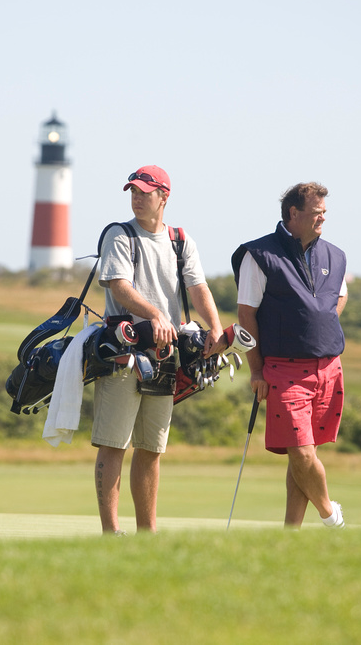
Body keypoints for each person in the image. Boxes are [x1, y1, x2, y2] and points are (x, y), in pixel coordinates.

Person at [93, 165, 224, 535]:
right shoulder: (119, 235)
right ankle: (110, 534)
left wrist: (214, 328)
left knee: (151, 449)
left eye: (144, 193)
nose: (137, 198)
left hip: (166, 356)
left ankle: (147, 535)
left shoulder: (181, 240)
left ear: (163, 196)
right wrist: (154, 313)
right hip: (124, 352)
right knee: (113, 443)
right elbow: (119, 286)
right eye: (133, 192)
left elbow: (198, 288)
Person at [231, 182, 348, 529]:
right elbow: (246, 314)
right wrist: (256, 370)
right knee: (300, 450)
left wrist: (319, 325)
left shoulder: (335, 255)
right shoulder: (260, 254)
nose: (322, 218)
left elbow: (337, 297)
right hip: (282, 368)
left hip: (328, 367)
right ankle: (330, 514)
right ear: (293, 214)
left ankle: (290, 535)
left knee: (304, 453)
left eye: (324, 213)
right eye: (316, 213)